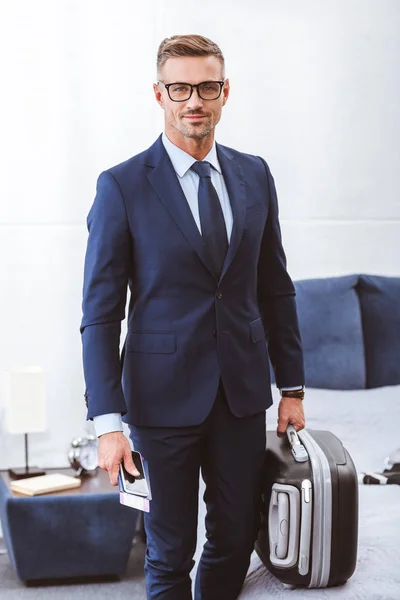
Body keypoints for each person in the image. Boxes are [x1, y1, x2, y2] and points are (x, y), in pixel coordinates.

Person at [81, 34, 306, 600]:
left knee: (235, 537)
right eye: (179, 88)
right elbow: (101, 313)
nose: (194, 101)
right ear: (158, 94)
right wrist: (109, 423)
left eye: (207, 87)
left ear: (225, 91)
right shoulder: (123, 186)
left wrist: (293, 387)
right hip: (159, 403)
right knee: (169, 550)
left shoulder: (255, 174)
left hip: (240, 394)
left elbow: (275, 288)